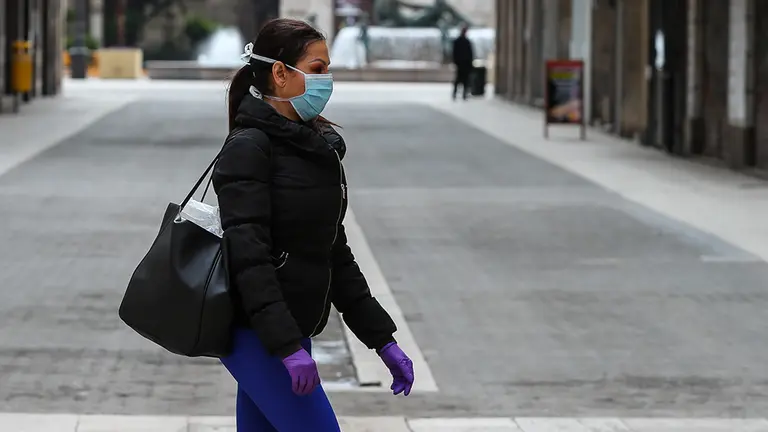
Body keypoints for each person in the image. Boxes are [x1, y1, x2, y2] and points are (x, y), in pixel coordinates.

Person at [212, 18, 415, 432]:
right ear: (281, 73)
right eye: (318, 69)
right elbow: (247, 256)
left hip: (287, 333)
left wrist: (382, 339)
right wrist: (286, 347)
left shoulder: (312, 148)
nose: (327, 80)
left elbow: (333, 253)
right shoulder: (249, 148)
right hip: (258, 336)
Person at [451, 24, 474, 101]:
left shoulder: (459, 41)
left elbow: (454, 53)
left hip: (462, 63)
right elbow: (470, 54)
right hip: (463, 63)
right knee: (462, 80)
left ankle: (458, 94)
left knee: (460, 79)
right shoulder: (465, 42)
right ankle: (460, 94)